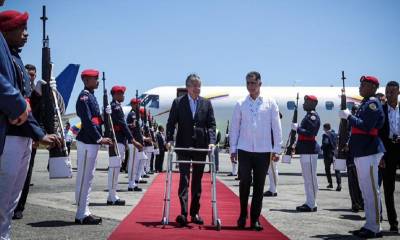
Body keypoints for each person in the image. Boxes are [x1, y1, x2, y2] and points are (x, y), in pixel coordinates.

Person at [0, 10, 61, 239]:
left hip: (22, 135)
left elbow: (25, 102)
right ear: (7, 30)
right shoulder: (8, 57)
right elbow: (13, 100)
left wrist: (38, 94)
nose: (26, 34)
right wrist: (39, 134)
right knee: (4, 198)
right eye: (21, 29)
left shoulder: (15, 57)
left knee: (11, 199)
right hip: (12, 135)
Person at [230, 71, 282, 231]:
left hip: (263, 150)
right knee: (244, 182)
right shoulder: (240, 104)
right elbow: (234, 128)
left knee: (259, 186)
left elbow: (276, 127)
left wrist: (277, 149)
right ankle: (242, 215)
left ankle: (255, 219)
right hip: (244, 149)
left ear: (260, 83)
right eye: (248, 83)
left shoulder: (270, 103)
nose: (250, 86)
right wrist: (233, 149)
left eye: (253, 83)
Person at [166, 73, 216, 227]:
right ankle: (183, 212)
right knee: (184, 179)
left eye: (199, 85)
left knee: (197, 181)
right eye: (194, 85)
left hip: (201, 146)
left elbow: (212, 124)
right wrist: (169, 140)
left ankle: (194, 212)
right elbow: (171, 123)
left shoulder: (206, 103)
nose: (197, 88)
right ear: (187, 87)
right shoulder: (178, 102)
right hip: (183, 146)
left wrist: (212, 142)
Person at [339, 75, 385, 238]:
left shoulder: (372, 104)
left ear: (373, 88)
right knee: (365, 190)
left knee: (372, 190)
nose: (360, 87)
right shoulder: (365, 104)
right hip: (361, 150)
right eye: (360, 84)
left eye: (364, 85)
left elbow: (366, 126)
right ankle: (369, 224)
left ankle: (375, 227)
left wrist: (349, 117)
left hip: (369, 150)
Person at [74, 69, 113, 225]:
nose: (97, 81)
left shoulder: (91, 96)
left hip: (92, 142)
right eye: (94, 78)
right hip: (88, 141)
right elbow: (88, 121)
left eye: (97, 78)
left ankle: (84, 210)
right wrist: (99, 138)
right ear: (85, 80)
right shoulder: (84, 97)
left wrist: (105, 115)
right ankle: (81, 214)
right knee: (84, 179)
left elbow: (96, 120)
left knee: (88, 178)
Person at [12, 64, 40, 220]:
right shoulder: (19, 88)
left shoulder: (37, 93)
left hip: (32, 138)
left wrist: (37, 136)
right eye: (29, 74)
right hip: (14, 134)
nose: (31, 77)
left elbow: (40, 117)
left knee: (25, 176)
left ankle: (19, 207)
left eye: (33, 75)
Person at [292, 95, 320, 212]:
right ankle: (309, 201)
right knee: (307, 177)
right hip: (306, 150)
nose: (303, 104)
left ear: (313, 104)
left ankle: (312, 203)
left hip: (309, 150)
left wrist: (297, 128)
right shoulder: (308, 116)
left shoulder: (313, 116)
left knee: (310, 178)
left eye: (306, 102)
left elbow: (311, 133)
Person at [378, 81, 399, 233]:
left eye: (392, 91)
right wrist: (381, 156)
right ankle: (393, 223)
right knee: (388, 188)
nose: (389, 94)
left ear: (398, 92)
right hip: (388, 150)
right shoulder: (381, 110)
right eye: (387, 91)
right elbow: (377, 134)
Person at [107, 85, 133, 205]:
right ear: (116, 94)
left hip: (118, 140)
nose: (123, 96)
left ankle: (112, 195)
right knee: (114, 168)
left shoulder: (115, 107)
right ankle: (112, 197)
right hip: (117, 141)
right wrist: (132, 140)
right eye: (121, 94)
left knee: (116, 168)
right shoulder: (116, 107)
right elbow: (123, 125)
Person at [346, 105, 364, 213]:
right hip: (352, 156)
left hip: (358, 154)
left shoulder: (357, 123)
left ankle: (360, 203)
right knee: (353, 182)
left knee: (359, 182)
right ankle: (356, 203)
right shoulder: (349, 123)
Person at [126, 98, 146, 191]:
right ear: (134, 105)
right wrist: (133, 123)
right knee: (133, 163)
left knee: (135, 163)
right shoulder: (132, 114)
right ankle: (131, 184)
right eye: (138, 104)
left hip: (136, 142)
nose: (139, 106)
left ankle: (133, 182)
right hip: (133, 142)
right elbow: (130, 126)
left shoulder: (136, 115)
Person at [321, 123, 341, 191]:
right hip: (335, 154)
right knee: (337, 170)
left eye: (323, 128)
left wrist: (321, 147)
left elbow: (325, 143)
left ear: (325, 128)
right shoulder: (335, 134)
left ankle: (330, 183)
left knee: (327, 169)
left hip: (328, 155)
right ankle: (339, 184)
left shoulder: (325, 135)